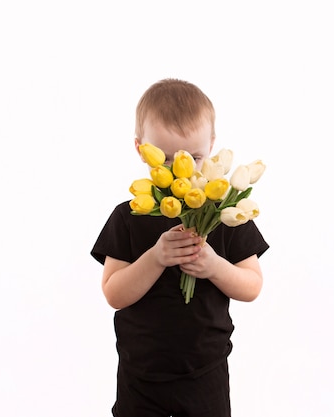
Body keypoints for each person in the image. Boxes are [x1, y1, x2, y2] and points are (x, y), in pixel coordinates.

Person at [91, 78, 270, 417]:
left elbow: (252, 286)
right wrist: (156, 258)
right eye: (168, 159)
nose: (180, 171)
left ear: (212, 147)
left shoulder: (225, 213)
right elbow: (114, 294)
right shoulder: (129, 215)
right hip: (140, 376)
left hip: (205, 372)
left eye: (195, 157)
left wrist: (215, 267)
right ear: (141, 149)